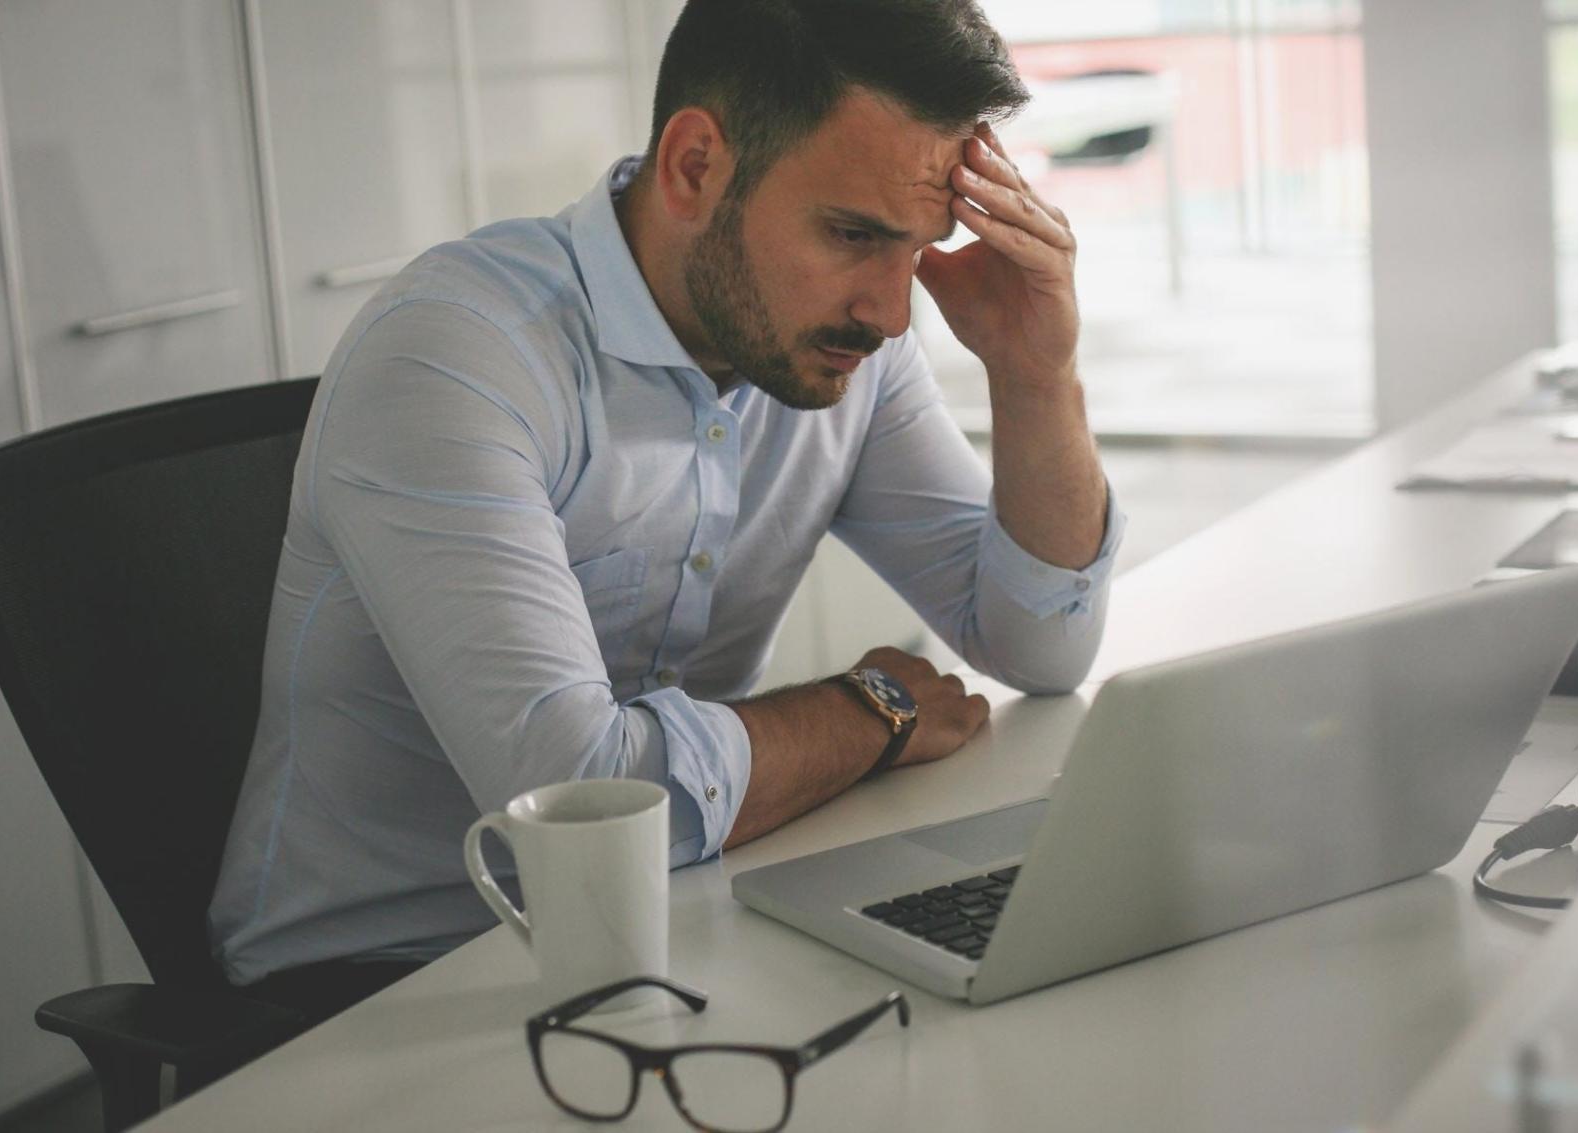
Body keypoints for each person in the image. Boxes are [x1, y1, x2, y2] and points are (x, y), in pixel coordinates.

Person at [209, 0, 1123, 1018]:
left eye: (916, 246)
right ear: (695, 165)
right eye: (853, 233)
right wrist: (867, 710)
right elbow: (579, 795)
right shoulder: (456, 353)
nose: (889, 310)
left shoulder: (844, 349)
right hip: (383, 990)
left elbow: (1040, 645)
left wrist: (1036, 375)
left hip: (676, 922)